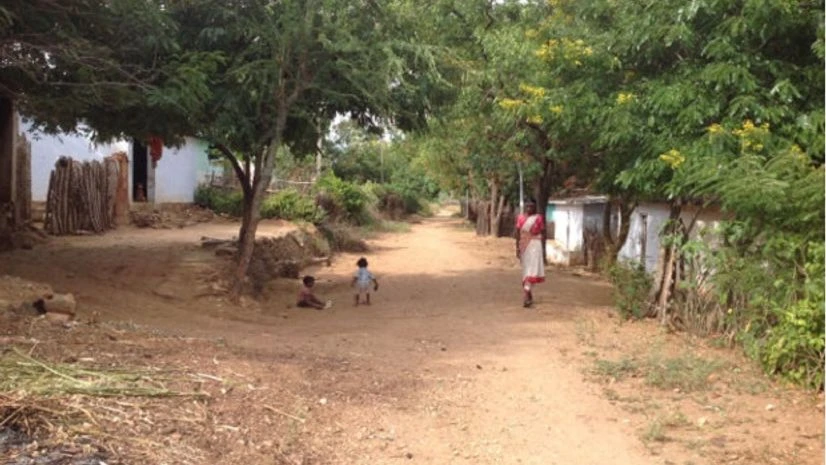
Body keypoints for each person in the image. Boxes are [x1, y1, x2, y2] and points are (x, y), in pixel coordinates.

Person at [515, 200, 545, 307]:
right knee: (526, 270)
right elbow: (517, 234)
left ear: (535, 207)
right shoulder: (520, 218)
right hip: (524, 246)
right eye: (527, 206)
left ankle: (526, 295)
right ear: (525, 207)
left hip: (535, 246)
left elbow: (542, 232)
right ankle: (528, 294)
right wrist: (517, 248)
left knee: (532, 270)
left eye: (532, 206)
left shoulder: (538, 218)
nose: (529, 208)